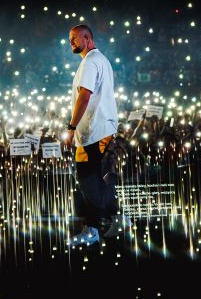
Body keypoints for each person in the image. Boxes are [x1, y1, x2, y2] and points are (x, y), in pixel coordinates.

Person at [65, 24, 129, 246]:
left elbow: (84, 97)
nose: (71, 41)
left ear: (88, 38)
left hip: (94, 132)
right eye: (70, 38)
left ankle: (99, 226)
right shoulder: (100, 60)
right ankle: (115, 220)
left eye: (75, 38)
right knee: (96, 180)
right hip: (97, 131)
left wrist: (71, 127)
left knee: (87, 180)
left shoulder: (90, 62)